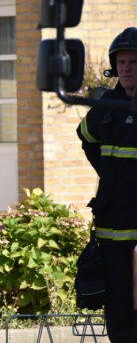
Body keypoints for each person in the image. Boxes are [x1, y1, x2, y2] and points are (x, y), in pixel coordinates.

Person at [77, 27, 137, 343]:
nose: (127, 68)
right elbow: (85, 135)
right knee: (117, 307)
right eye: (122, 62)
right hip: (112, 230)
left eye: (134, 62)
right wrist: (108, 172)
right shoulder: (107, 106)